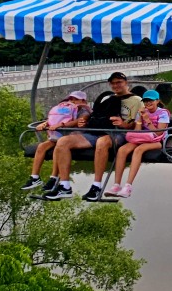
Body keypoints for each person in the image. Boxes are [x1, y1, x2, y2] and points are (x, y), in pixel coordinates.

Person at [47, 72, 141, 201]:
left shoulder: (136, 101)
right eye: (113, 83)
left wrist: (124, 124)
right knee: (63, 141)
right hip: (98, 130)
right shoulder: (107, 98)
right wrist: (84, 119)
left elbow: (139, 124)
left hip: (120, 133)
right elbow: (95, 114)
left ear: (126, 83)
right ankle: (64, 185)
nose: (116, 85)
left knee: (102, 142)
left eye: (119, 82)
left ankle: (96, 186)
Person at [105, 90, 170, 198]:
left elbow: (159, 132)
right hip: (143, 137)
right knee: (122, 150)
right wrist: (139, 118)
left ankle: (128, 186)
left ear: (157, 101)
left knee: (138, 150)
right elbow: (137, 131)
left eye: (151, 101)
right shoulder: (142, 111)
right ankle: (116, 185)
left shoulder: (163, 113)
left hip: (158, 140)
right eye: (145, 101)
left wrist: (147, 120)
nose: (148, 103)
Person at [22, 91, 89, 191]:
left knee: (58, 148)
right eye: (71, 99)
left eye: (76, 99)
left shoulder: (85, 111)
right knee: (41, 146)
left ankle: (54, 177)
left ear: (83, 101)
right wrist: (46, 123)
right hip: (60, 136)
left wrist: (61, 125)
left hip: (75, 137)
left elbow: (77, 121)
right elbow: (56, 118)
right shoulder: (67, 110)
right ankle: (34, 177)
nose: (73, 101)